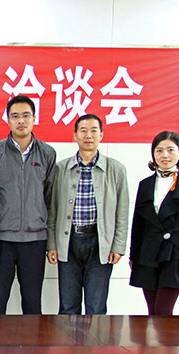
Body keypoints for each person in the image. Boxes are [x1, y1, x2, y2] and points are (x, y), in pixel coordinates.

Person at [47, 114, 129, 315]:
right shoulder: (61, 169)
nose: (88, 135)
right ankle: (69, 338)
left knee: (96, 307)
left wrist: (118, 246)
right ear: (75, 135)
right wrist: (52, 244)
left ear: (101, 135)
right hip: (68, 241)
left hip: (100, 242)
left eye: (94, 130)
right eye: (83, 130)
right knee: (68, 306)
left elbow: (122, 212)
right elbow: (52, 209)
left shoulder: (116, 169)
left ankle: (95, 339)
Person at [0, 95, 56, 315]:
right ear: (8, 120)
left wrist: (51, 241)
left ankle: (33, 340)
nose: (21, 120)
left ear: (34, 118)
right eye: (15, 116)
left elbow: (50, 200)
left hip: (35, 241)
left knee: (32, 305)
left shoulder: (47, 153)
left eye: (26, 115)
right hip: (2, 240)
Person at [129, 131, 179, 315]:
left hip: (175, 252)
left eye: (170, 150)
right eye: (159, 150)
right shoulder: (145, 184)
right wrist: (133, 255)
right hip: (147, 252)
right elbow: (138, 223)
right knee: (152, 313)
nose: (165, 155)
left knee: (163, 312)